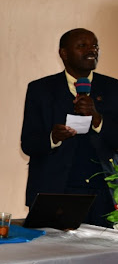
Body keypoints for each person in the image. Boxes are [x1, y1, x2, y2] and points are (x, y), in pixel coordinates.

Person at [21, 28, 118, 228]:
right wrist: (53, 138)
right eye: (82, 46)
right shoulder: (40, 89)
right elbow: (28, 143)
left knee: (102, 257)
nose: (91, 50)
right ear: (63, 53)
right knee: (52, 255)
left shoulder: (113, 88)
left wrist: (98, 120)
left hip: (103, 193)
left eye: (95, 45)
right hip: (55, 190)